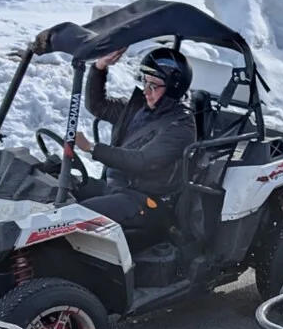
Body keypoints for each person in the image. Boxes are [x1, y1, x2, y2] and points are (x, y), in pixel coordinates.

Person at [72, 46, 197, 238]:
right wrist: (99, 67)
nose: (146, 90)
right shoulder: (138, 108)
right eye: (145, 81)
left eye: (154, 85)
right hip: (115, 188)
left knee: (75, 218)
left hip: (146, 202)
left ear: (174, 87)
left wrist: (92, 148)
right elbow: (97, 105)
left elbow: (143, 161)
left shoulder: (181, 126)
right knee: (58, 191)